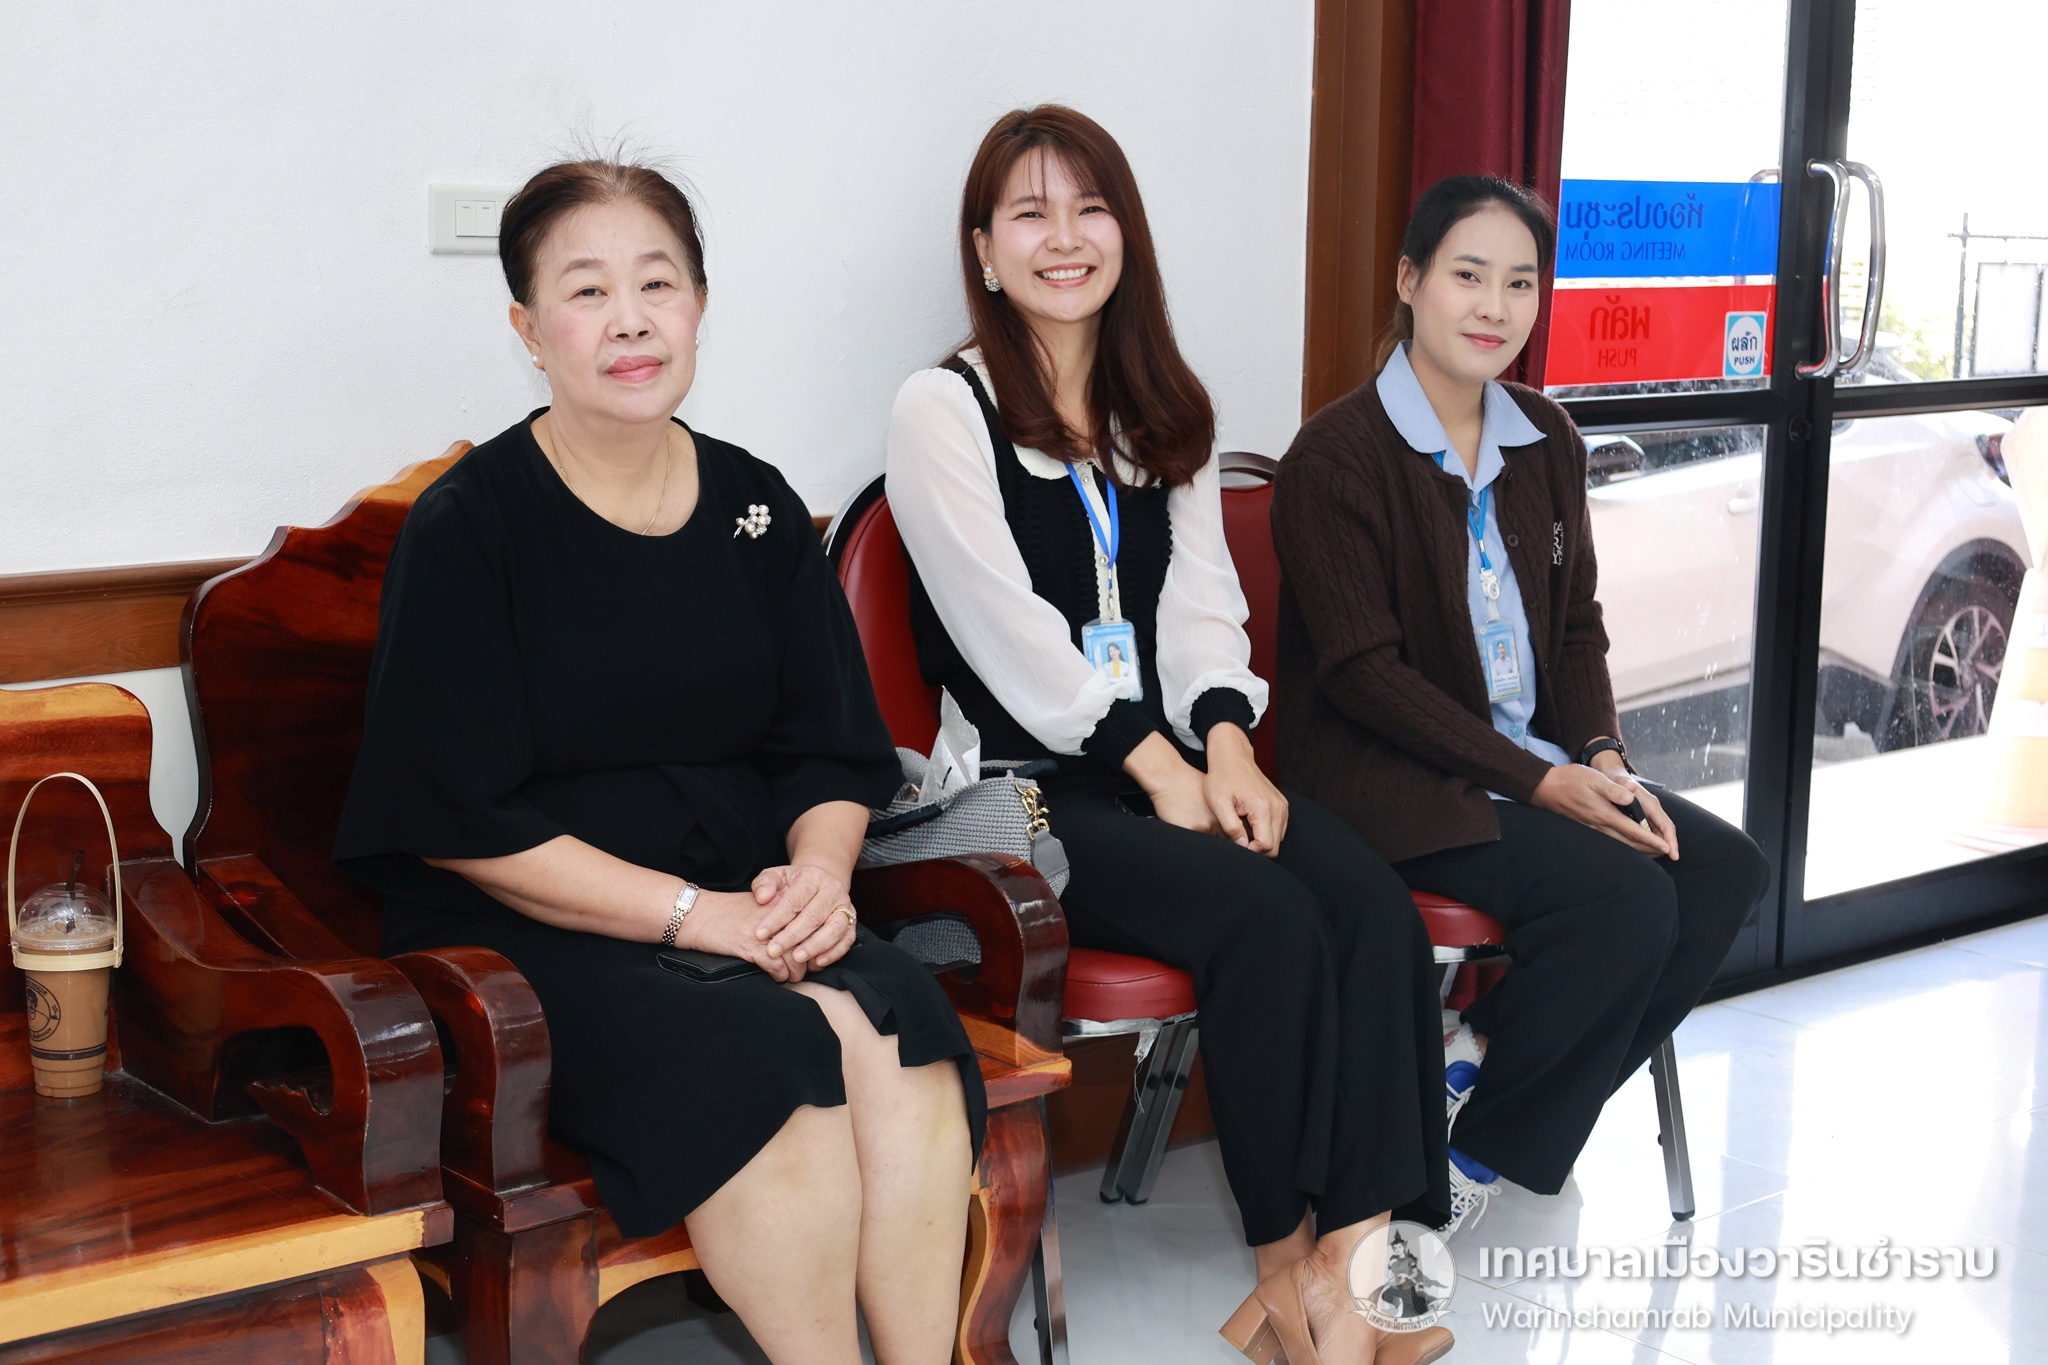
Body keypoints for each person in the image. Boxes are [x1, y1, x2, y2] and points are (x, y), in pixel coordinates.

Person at [334, 156, 983, 1365]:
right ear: (528, 329)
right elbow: (459, 817)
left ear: (698, 305)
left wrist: (819, 877)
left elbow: (829, 746)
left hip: (748, 894)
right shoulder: (471, 524)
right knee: (772, 1059)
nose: (629, 319)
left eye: (657, 283)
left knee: (902, 1032)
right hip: (531, 929)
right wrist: (700, 919)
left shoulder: (752, 505)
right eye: (586, 291)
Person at [886, 105, 1452, 1365]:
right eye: (1027, 214)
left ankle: (1357, 1273)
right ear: (983, 251)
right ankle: (1286, 1280)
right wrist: (1158, 767)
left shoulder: (1162, 410)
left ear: (1125, 235)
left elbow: (1200, 611)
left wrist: (1228, 750)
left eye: (1088, 209)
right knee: (1264, 918)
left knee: (1366, 902)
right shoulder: (943, 408)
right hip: (1030, 799)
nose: (1063, 238)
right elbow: (1011, 639)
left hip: (1171, 770)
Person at [1270, 175, 1770, 1234]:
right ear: (1409, 281)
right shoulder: (1335, 456)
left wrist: (1600, 754)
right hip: (1388, 778)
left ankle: (1483, 1066)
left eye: (1519, 283)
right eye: (1467, 275)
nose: (1493, 307)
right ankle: (1472, 1159)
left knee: (1721, 868)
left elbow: (1576, 625)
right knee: (1624, 902)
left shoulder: (1546, 435)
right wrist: (1544, 782)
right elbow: (1363, 675)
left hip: (1527, 762)